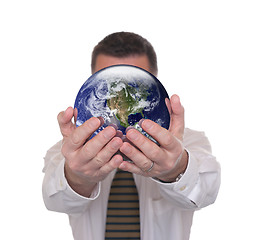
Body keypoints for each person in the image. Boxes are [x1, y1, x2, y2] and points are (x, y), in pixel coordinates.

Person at [42, 32, 221, 240]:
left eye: (135, 82)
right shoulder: (70, 151)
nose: (122, 92)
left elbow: (207, 190)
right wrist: (78, 177)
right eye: (110, 82)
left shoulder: (187, 143)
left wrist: (177, 168)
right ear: (92, 82)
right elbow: (54, 200)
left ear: (155, 81)